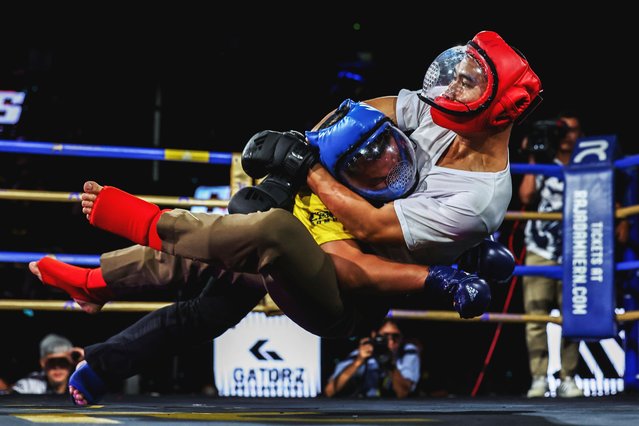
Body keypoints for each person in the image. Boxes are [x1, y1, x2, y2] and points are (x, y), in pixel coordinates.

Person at [32, 30, 538, 405]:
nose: (452, 85)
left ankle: (135, 226)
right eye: (460, 71)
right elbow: (353, 116)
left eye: (469, 82)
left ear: (499, 109)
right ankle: (97, 330)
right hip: (329, 226)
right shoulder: (437, 111)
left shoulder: (477, 197)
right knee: (214, 290)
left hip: (347, 291)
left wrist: (308, 170)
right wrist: (298, 154)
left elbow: (367, 234)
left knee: (266, 232)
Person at [324, 318, 420, 398]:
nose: (390, 342)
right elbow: (330, 391)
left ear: (402, 338)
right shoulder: (361, 353)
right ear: (374, 335)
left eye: (395, 336)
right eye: (385, 337)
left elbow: (403, 393)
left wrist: (391, 366)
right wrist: (358, 362)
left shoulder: (407, 353)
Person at [11, 334, 83, 395]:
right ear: (42, 363)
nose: (57, 367)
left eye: (62, 361)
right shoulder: (29, 385)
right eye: (51, 362)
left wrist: (85, 359)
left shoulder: (80, 384)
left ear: (71, 362)